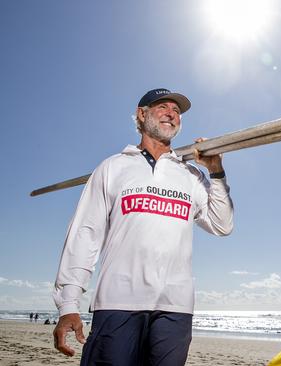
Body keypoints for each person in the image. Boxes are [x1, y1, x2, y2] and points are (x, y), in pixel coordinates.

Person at [52, 88, 234, 365]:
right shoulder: (113, 167)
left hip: (176, 307)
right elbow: (84, 235)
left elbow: (222, 225)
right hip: (118, 302)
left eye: (177, 111)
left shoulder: (190, 174)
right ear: (142, 113)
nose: (172, 114)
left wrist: (216, 172)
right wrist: (68, 304)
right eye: (163, 107)